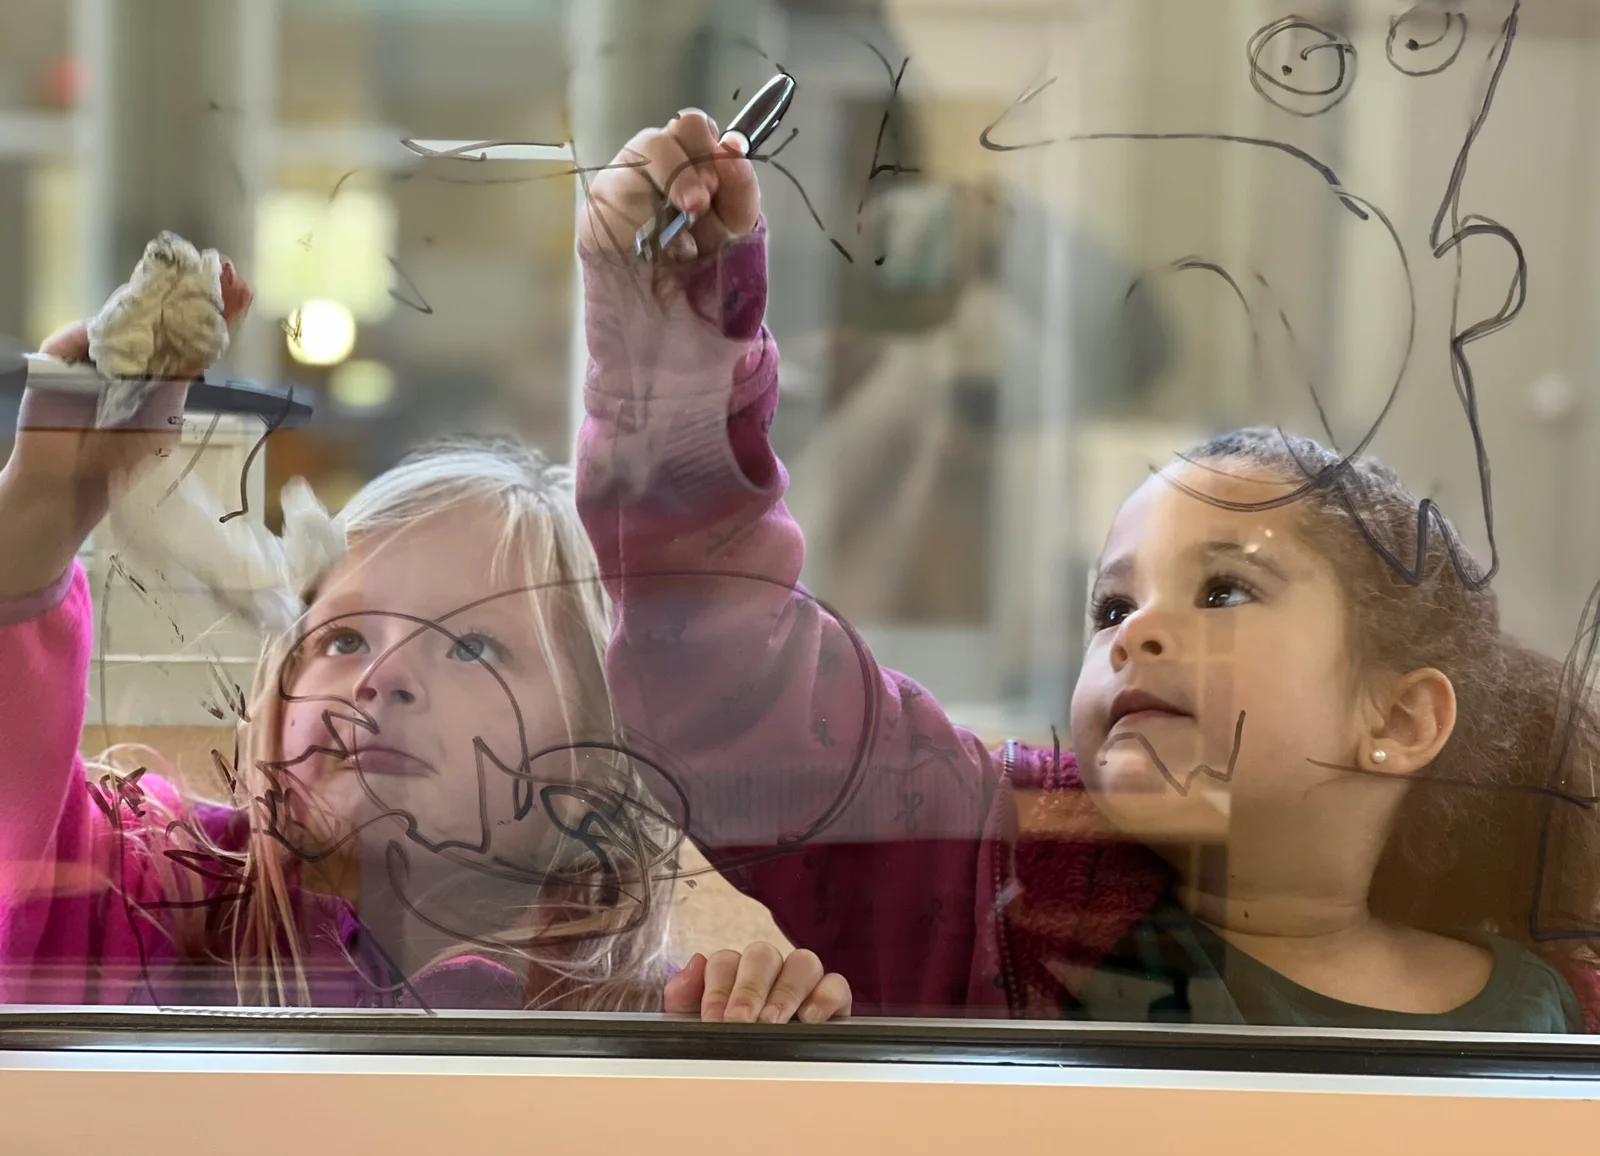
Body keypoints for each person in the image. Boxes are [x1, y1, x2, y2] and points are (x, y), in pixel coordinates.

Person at [573, 111, 1600, 1031]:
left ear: (1401, 721)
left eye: (1224, 591)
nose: (1133, 633)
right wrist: (671, 340)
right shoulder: (1009, 896)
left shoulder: (1554, 1019)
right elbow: (734, 664)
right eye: (1109, 604)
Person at [0, 254, 849, 1022]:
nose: (385, 679)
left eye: (472, 647)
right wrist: (41, 509)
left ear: (590, 761)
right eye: (342, 641)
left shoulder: (639, 1026)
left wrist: (759, 1027)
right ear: (274, 698)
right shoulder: (149, 907)